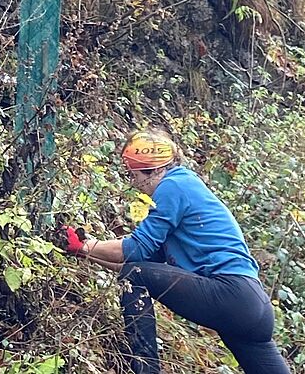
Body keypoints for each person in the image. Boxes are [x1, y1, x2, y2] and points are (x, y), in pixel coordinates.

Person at [62, 129, 290, 374]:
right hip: (253, 306)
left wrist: (87, 245)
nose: (133, 183)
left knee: (135, 272)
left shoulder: (173, 186)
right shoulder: (185, 185)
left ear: (152, 171)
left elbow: (135, 253)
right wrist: (85, 252)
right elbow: (144, 264)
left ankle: (147, 370)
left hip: (231, 293)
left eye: (133, 175)